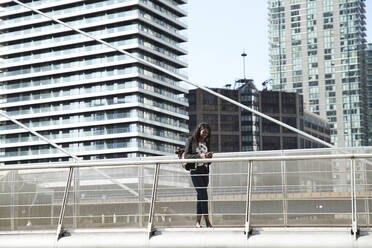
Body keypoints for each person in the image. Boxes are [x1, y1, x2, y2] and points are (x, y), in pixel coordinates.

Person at [184, 123, 213, 228]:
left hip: (205, 170)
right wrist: (200, 156)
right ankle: (207, 221)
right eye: (203, 132)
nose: (205, 134)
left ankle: (197, 222)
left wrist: (209, 157)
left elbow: (208, 161)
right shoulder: (191, 140)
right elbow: (186, 156)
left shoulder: (206, 142)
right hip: (195, 170)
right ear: (199, 130)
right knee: (203, 195)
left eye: (207, 133)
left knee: (200, 196)